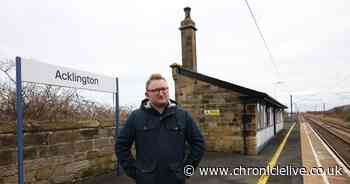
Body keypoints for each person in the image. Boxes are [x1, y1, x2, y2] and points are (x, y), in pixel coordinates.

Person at [116, 73, 206, 184]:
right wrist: (136, 173)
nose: (161, 93)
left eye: (164, 89)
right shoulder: (136, 117)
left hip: (175, 180)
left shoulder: (182, 116)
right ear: (147, 94)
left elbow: (199, 143)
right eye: (156, 90)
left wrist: (186, 171)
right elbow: (121, 145)